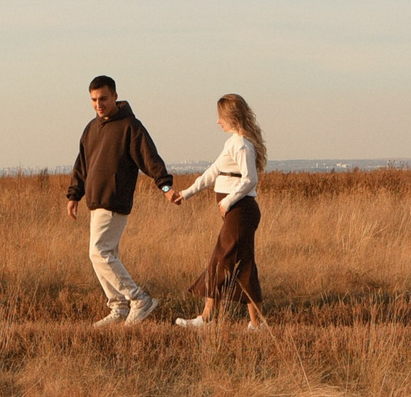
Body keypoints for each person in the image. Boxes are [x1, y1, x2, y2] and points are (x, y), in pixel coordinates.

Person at [65, 75, 174, 326]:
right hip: (95, 200)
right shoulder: (91, 128)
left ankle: (139, 300)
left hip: (114, 199)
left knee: (98, 252)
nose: (98, 104)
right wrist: (74, 195)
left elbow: (150, 159)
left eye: (103, 98)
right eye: (93, 99)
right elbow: (82, 164)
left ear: (115, 96)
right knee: (106, 252)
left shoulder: (130, 126)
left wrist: (166, 187)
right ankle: (119, 307)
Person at [167, 93, 269, 330]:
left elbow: (250, 179)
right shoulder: (232, 142)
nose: (217, 121)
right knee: (243, 265)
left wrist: (228, 201)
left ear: (231, 116)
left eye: (220, 116)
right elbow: (211, 174)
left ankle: (205, 319)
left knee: (220, 260)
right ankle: (257, 324)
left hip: (240, 211)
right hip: (236, 211)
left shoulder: (242, 144)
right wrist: (186, 193)